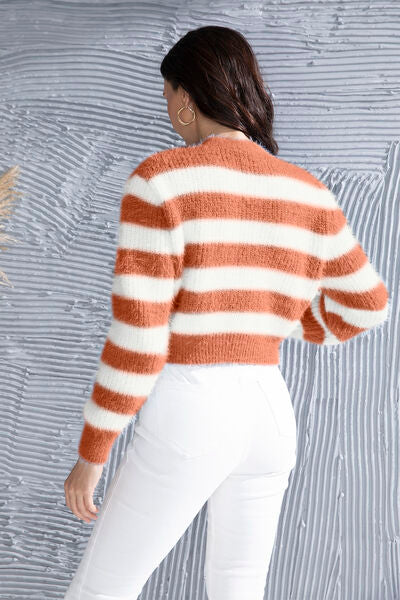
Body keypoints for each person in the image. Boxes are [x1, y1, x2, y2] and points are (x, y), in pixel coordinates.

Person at [63, 25, 389, 600]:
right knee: (239, 588)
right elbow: (368, 304)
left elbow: (139, 337)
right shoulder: (307, 192)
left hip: (192, 407)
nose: (168, 110)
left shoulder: (161, 182)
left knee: (101, 590)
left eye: (167, 95)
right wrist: (280, 322)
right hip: (268, 411)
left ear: (186, 97)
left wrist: (93, 453)